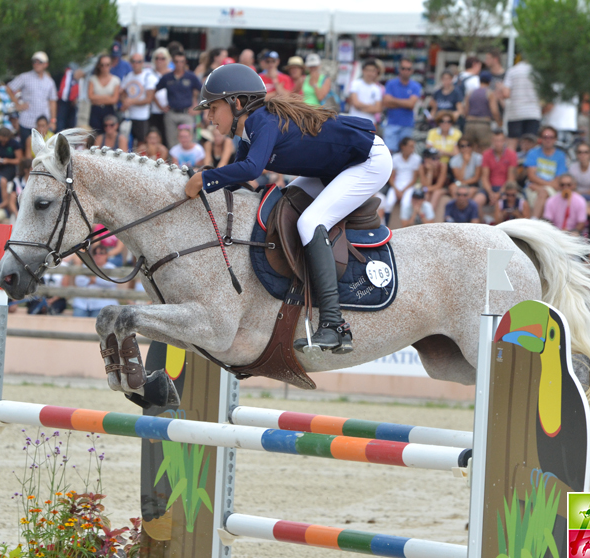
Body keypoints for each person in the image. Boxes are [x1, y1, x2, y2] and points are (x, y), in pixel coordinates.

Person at [188, 63, 390, 353]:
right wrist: (202, 185)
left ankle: (335, 325)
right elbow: (239, 176)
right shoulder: (247, 133)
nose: (208, 116)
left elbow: (251, 169)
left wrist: (204, 179)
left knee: (310, 223)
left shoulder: (263, 122)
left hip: (368, 161)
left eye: (213, 107)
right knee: (286, 201)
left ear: (238, 103)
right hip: (333, 168)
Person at [6, 51, 57, 146]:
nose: (36, 64)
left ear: (46, 64)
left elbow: (52, 101)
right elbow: (9, 88)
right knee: (26, 148)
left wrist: (53, 120)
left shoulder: (49, 81)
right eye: (35, 62)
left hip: (43, 122)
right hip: (27, 121)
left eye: (39, 62)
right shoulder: (25, 77)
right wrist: (17, 104)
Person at [155, 51, 202, 148]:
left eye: (182, 61)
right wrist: (161, 107)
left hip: (187, 113)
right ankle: (173, 162)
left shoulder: (191, 76)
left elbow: (204, 91)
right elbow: (152, 92)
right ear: (173, 62)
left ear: (185, 62)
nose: (179, 64)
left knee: (187, 141)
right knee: (171, 142)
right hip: (171, 113)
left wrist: (197, 107)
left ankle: (188, 163)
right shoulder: (167, 77)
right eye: (176, 61)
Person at [525, 125, 569, 217]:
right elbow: (531, 176)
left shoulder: (561, 156)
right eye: (545, 137)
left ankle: (534, 220)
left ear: (555, 139)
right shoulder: (533, 153)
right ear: (541, 139)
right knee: (543, 194)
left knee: (543, 192)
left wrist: (538, 186)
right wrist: (549, 185)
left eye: (551, 137)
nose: (548, 140)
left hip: (541, 187)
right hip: (535, 189)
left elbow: (558, 181)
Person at [382, 59, 422, 151]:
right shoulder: (391, 83)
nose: (406, 71)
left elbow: (411, 104)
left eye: (408, 69)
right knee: (389, 152)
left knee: (406, 153)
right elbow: (386, 102)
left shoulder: (415, 86)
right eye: (403, 68)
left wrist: (394, 101)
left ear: (412, 70)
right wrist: (405, 103)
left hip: (407, 124)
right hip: (392, 123)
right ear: (399, 69)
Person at [502, 59, 542, 152]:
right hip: (533, 112)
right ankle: (529, 165)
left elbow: (506, 93)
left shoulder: (512, 71)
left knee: (512, 142)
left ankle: (511, 165)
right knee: (531, 144)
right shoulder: (536, 71)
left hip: (515, 113)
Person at [71, 245, 120, 317]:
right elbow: (79, 282)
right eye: (95, 253)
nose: (98, 255)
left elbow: (109, 282)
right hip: (83, 303)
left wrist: (91, 278)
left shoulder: (111, 267)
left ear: (106, 255)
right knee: (76, 323)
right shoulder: (85, 266)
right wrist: (98, 279)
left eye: (101, 253)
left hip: (103, 304)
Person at [384, 136, 421, 226]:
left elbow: (414, 179)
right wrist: (397, 190)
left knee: (405, 204)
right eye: (410, 146)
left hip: (409, 186)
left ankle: (403, 228)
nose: (412, 149)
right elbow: (391, 177)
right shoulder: (395, 158)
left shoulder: (416, 158)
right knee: (388, 203)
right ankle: (386, 226)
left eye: (413, 146)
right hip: (396, 185)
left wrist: (403, 191)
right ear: (403, 147)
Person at [121, 53, 157, 145]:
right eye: (133, 61)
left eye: (139, 62)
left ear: (142, 63)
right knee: (127, 141)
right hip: (129, 115)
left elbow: (149, 99)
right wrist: (125, 101)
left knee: (142, 143)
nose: (136, 64)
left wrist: (131, 102)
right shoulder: (129, 75)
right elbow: (123, 91)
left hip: (142, 116)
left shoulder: (148, 76)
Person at [462, 71, 500, 152]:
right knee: (485, 150)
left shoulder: (470, 93)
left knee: (470, 150)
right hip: (483, 124)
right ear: (490, 81)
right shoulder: (490, 93)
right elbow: (494, 111)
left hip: (470, 123)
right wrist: (499, 122)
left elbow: (465, 110)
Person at [480, 129, 517, 205]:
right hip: (490, 188)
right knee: (478, 200)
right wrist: (490, 193)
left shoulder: (512, 154)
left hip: (506, 188)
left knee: (505, 200)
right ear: (492, 141)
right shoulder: (486, 154)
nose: (498, 143)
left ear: (504, 141)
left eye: (500, 141)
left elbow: (510, 178)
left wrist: (499, 194)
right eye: (496, 141)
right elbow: (484, 177)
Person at [87, 54, 121, 136]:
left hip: (109, 110)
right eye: (102, 65)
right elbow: (90, 97)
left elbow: (114, 99)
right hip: (96, 111)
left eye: (107, 65)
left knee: (109, 133)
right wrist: (107, 97)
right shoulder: (93, 79)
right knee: (96, 134)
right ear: (99, 66)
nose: (105, 67)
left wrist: (97, 98)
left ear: (111, 65)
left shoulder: (115, 80)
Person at [148, 48, 171, 144]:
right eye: (157, 58)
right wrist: (161, 107)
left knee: (168, 138)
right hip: (155, 111)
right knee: (155, 137)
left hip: (169, 110)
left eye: (163, 58)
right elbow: (151, 92)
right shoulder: (149, 73)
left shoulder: (172, 73)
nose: (159, 60)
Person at [450, 139, 483, 205]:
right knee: (452, 188)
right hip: (460, 182)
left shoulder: (478, 158)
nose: (466, 148)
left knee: (468, 192)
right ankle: (456, 209)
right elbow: (459, 177)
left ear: (472, 147)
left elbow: (476, 178)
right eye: (463, 146)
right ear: (459, 148)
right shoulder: (454, 160)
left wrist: (463, 183)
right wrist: (464, 163)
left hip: (473, 184)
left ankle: (465, 210)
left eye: (468, 145)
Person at [418, 148, 448, 213]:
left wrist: (426, 189)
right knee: (427, 194)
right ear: (426, 159)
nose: (437, 161)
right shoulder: (422, 167)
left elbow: (439, 186)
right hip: (431, 188)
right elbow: (425, 185)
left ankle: (429, 215)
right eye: (434, 158)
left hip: (444, 188)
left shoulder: (443, 166)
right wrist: (430, 171)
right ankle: (423, 215)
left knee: (436, 192)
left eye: (438, 158)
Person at [56, 63, 84, 132]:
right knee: (61, 124)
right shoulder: (66, 72)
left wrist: (74, 97)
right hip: (63, 101)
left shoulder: (83, 74)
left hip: (74, 103)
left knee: (72, 125)